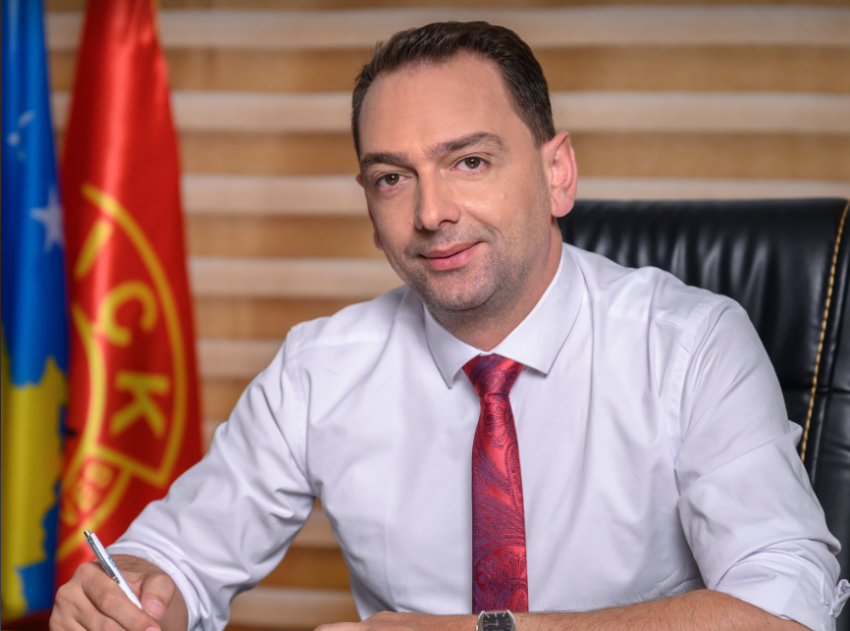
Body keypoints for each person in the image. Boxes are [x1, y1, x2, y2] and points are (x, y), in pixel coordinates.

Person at [50, 21, 848, 631]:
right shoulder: (321, 367)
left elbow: (787, 610)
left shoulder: (693, 344)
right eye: (392, 178)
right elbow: (178, 558)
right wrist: (131, 594)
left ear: (557, 173)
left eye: (469, 161)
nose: (432, 212)